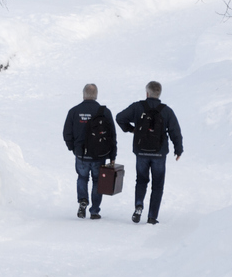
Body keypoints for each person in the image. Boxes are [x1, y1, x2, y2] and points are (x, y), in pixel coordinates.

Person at [115, 81, 184, 224]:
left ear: (147, 93)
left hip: (141, 152)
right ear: (159, 93)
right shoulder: (166, 111)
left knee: (141, 180)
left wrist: (131, 129)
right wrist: (178, 149)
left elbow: (119, 117)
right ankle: (152, 217)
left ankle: (139, 205)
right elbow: (175, 131)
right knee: (158, 184)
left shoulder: (137, 107)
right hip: (159, 153)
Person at [60, 82, 117, 219]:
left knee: (82, 177)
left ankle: (83, 201)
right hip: (99, 155)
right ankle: (95, 210)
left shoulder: (74, 111)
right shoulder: (105, 112)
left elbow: (66, 132)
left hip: (81, 154)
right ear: (96, 95)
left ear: (83, 94)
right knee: (98, 181)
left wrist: (73, 148)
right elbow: (112, 135)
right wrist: (112, 155)